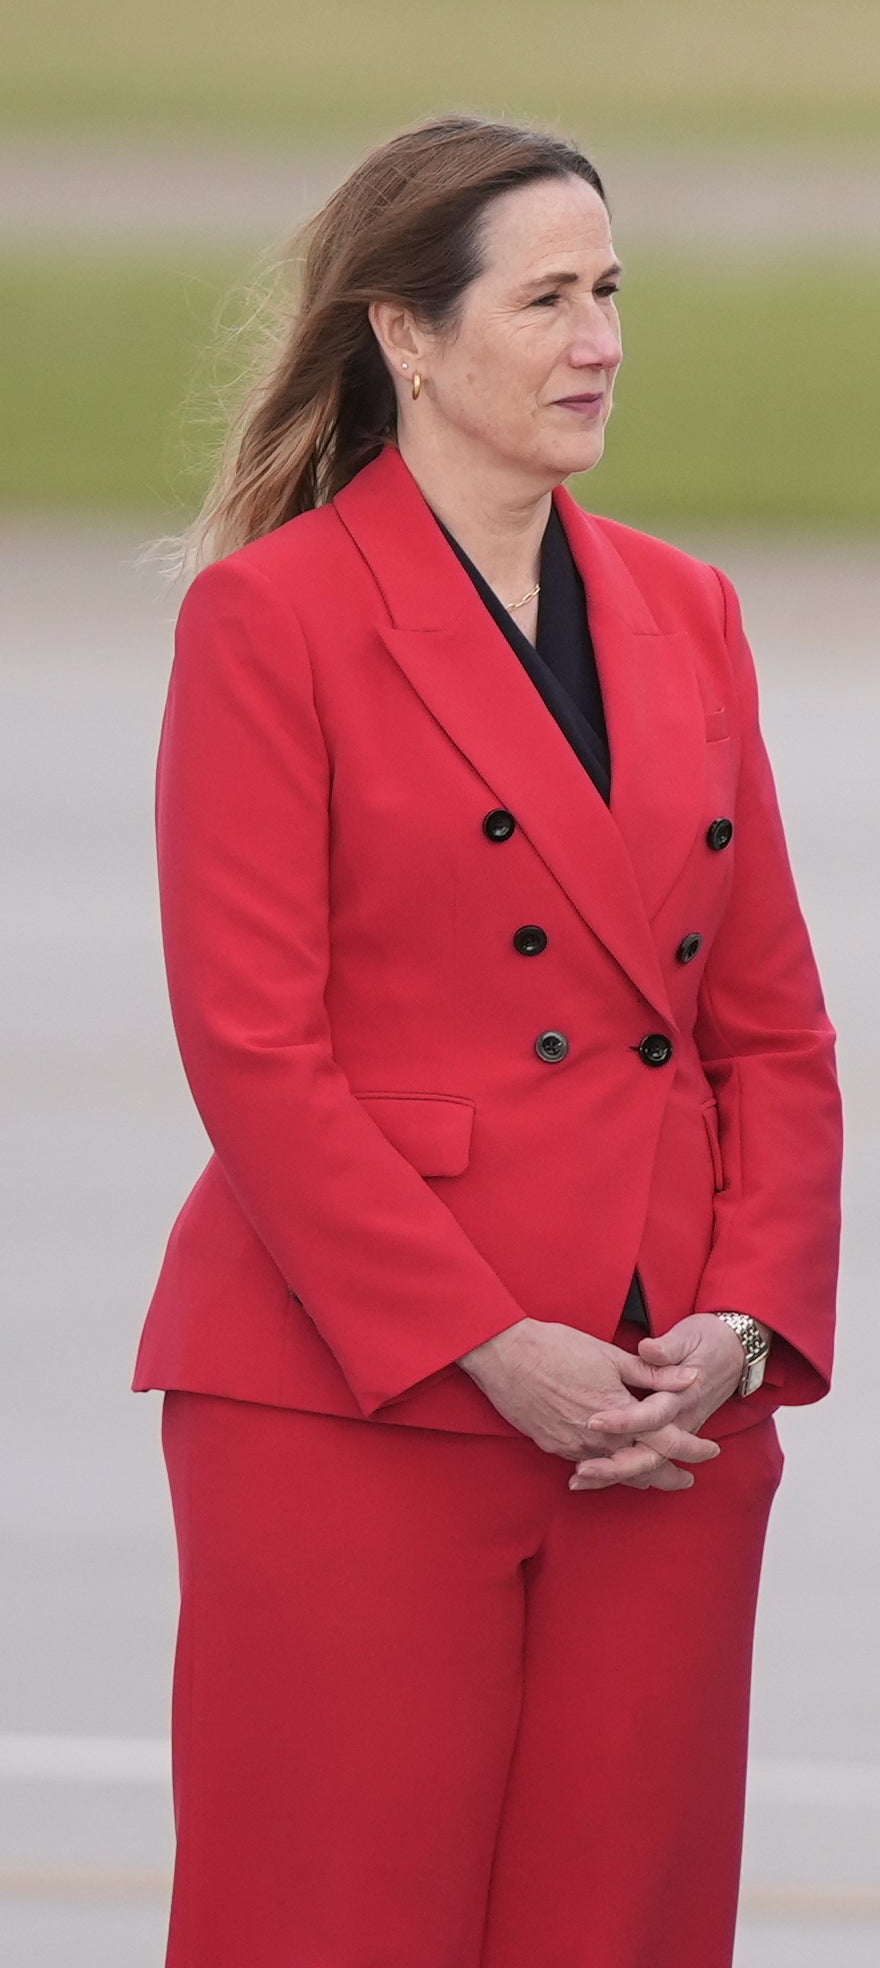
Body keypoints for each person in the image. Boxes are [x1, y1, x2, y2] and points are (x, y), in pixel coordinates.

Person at [139, 116, 844, 1968]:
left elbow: (771, 1029)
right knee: (333, 1920)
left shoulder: (690, 612)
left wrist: (747, 1321)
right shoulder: (268, 620)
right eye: (545, 300)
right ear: (408, 334)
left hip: (661, 1408)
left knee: (627, 1922)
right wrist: (478, 1343)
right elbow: (251, 1050)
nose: (599, 338)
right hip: (359, 1399)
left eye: (609, 292)